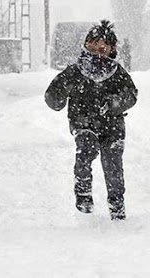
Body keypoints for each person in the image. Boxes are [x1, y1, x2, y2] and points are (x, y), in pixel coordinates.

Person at [45, 20, 138, 221]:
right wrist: (58, 97)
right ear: (85, 45)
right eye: (92, 45)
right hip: (82, 122)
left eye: (102, 47)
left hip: (112, 126)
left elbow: (131, 95)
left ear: (112, 50)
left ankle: (116, 203)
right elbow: (53, 94)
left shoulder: (117, 72)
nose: (96, 51)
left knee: (113, 163)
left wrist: (115, 103)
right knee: (86, 149)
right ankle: (83, 190)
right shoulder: (75, 71)